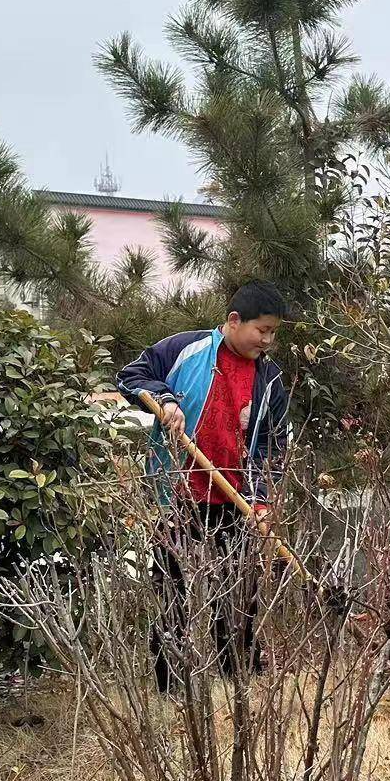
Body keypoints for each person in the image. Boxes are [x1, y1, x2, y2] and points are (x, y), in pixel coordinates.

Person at [117, 282, 291, 688]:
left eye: (272, 332)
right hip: (178, 495)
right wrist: (165, 400)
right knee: (173, 589)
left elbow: (272, 443)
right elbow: (131, 375)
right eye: (261, 330)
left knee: (239, 592)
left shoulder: (270, 379)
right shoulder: (186, 348)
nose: (267, 340)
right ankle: (171, 684)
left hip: (237, 500)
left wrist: (261, 500)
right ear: (234, 321)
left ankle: (239, 676)